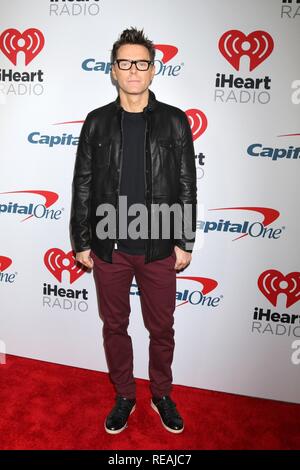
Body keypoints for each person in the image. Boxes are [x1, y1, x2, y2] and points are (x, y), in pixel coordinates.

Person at [70, 27, 197, 434]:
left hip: (160, 244)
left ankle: (161, 393)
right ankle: (125, 394)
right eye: (125, 63)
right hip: (110, 246)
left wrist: (185, 239)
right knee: (115, 326)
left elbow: (186, 184)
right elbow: (83, 183)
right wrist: (82, 240)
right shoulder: (96, 122)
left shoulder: (176, 122)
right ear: (113, 71)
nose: (133, 70)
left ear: (153, 69)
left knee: (161, 328)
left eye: (141, 62)